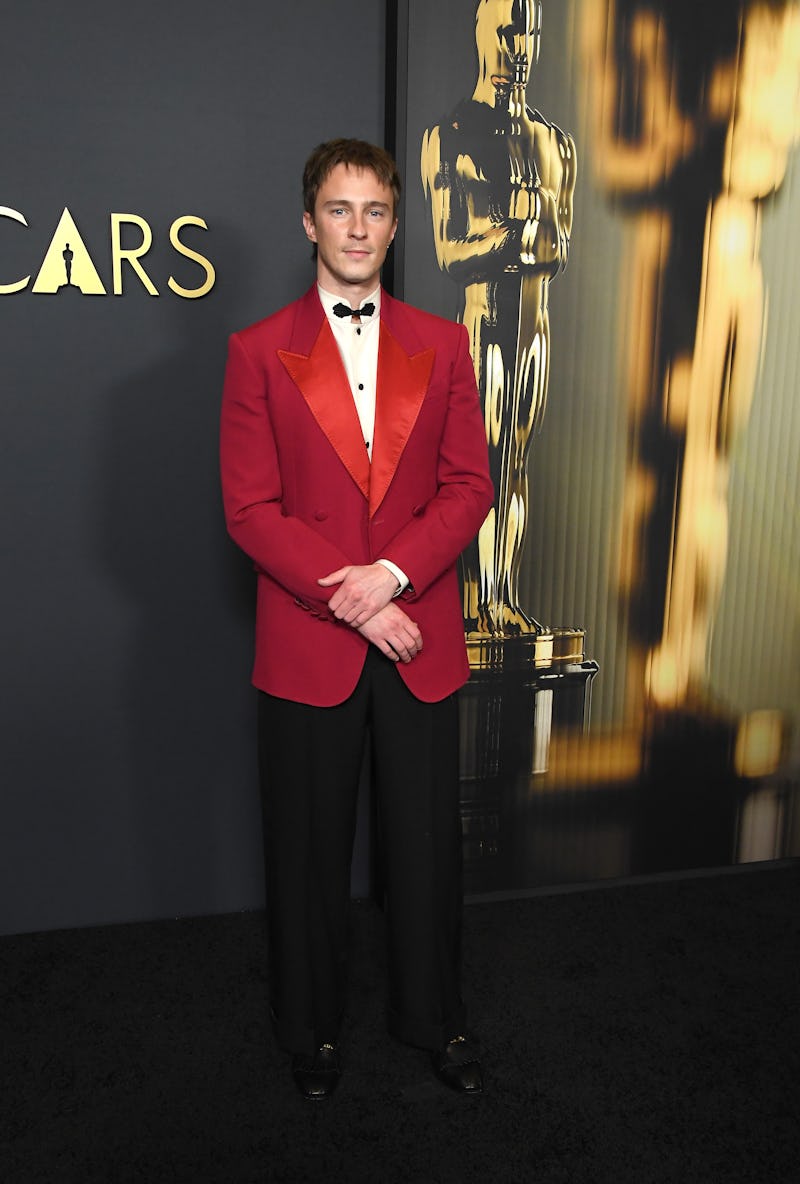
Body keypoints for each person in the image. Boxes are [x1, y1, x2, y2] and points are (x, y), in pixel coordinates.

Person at [220, 139, 493, 1100]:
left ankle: (437, 1023)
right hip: (313, 642)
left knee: (425, 853)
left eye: (375, 211)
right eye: (340, 210)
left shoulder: (444, 341)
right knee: (305, 853)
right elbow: (250, 510)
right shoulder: (257, 351)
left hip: (419, 636)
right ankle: (311, 1033)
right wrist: (356, 601)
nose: (359, 228)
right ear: (309, 222)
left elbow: (469, 488)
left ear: (393, 223)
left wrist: (391, 576)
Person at [421, 0, 576, 637]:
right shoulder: (451, 134)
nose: (519, 46)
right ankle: (471, 603)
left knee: (514, 464)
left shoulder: (554, 141)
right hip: (482, 325)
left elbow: (561, 245)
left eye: (529, 33)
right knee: (478, 464)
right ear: (482, 34)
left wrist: (516, 235)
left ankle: (499, 596)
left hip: (535, 327)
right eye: (508, 31)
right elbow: (452, 250)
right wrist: (523, 235)